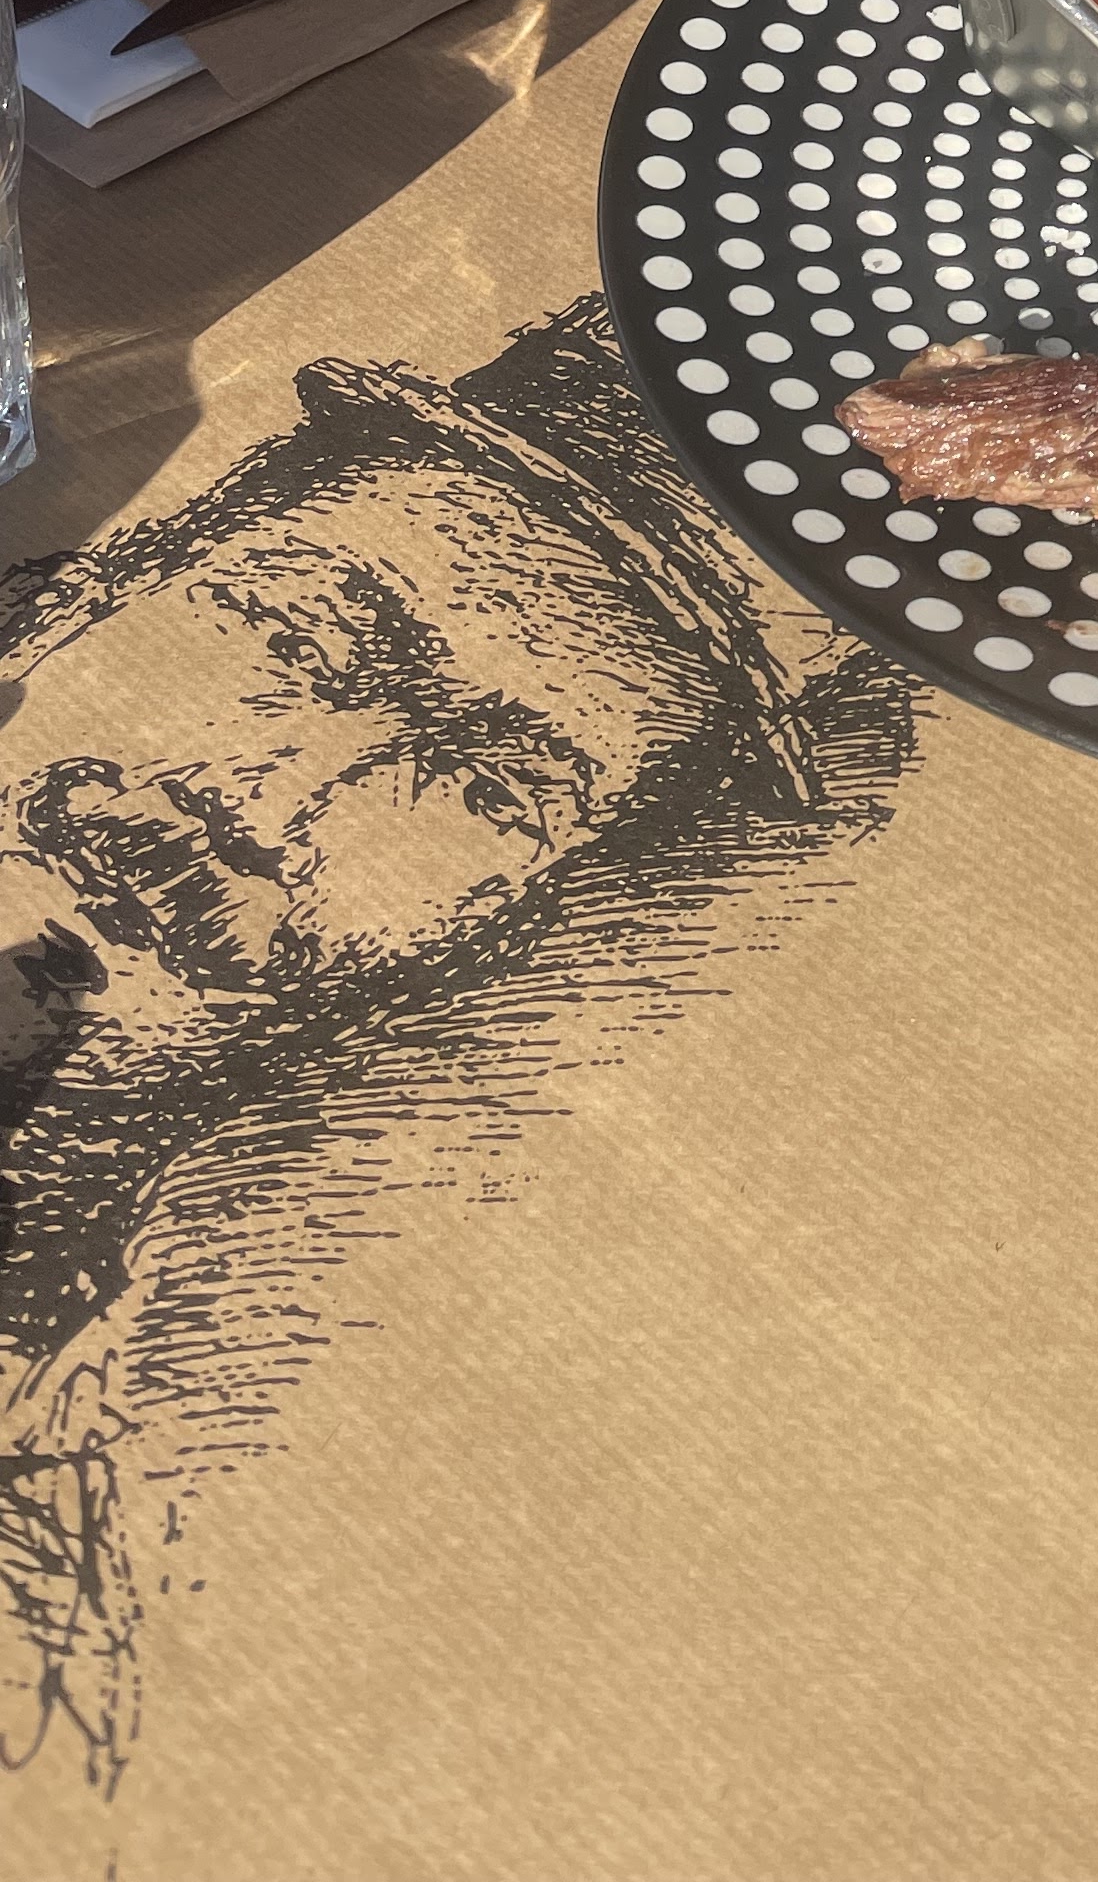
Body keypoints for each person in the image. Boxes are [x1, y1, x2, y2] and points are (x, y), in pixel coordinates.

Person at [0, 306, 905, 1794]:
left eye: (493, 793)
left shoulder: (72, 1500)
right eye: (307, 634)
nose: (273, 808)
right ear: (111, 574)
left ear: (500, 922)